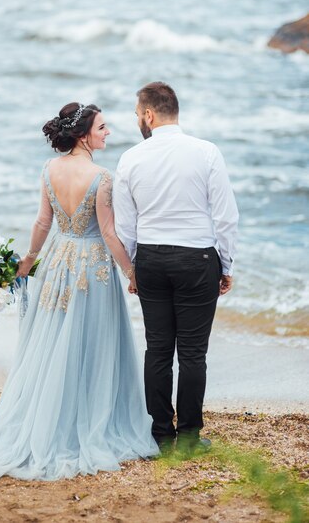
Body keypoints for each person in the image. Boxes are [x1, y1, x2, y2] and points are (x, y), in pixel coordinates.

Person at [0, 102, 159, 481]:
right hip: (92, 267)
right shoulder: (102, 178)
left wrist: (28, 260)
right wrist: (131, 271)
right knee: (91, 343)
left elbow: (42, 221)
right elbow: (108, 233)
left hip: (57, 261)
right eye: (102, 128)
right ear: (84, 134)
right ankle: (85, 420)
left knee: (55, 340)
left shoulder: (49, 169)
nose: (108, 133)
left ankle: (49, 413)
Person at [113, 82, 239, 450]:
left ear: (149, 115)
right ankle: (188, 437)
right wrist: (226, 264)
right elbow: (226, 217)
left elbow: (125, 224)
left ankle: (161, 436)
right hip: (197, 259)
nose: (138, 120)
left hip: (151, 258)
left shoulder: (131, 158)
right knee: (193, 353)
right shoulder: (207, 152)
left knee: (158, 349)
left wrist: (135, 267)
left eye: (138, 115)